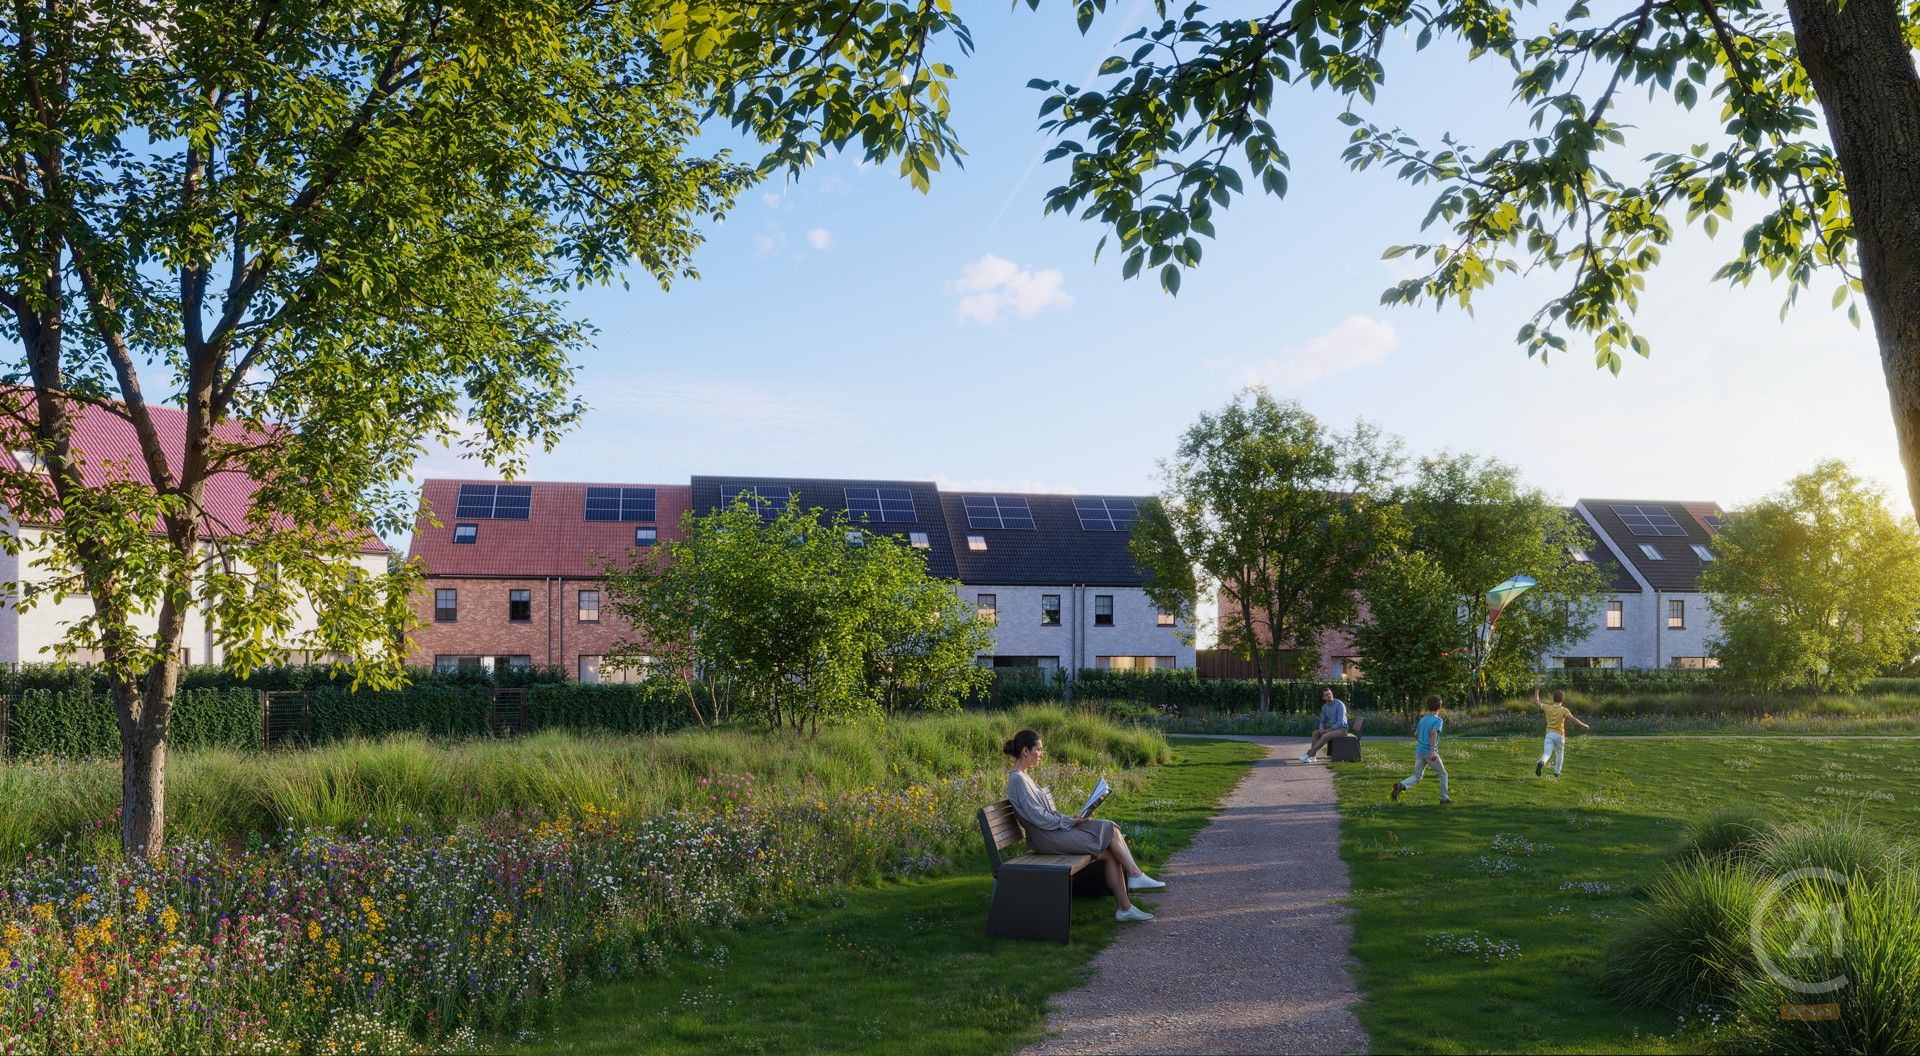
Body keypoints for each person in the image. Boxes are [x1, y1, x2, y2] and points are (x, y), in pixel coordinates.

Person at [1003, 729, 1165, 922]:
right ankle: (1135, 874)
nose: (1042, 754)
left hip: (1049, 832)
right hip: (1045, 838)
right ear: (1025, 751)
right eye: (1039, 749)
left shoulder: (1024, 776)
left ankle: (1125, 908)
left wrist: (1073, 818)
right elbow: (1039, 818)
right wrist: (1071, 822)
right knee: (1109, 831)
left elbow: (1042, 815)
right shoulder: (1018, 780)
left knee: (1111, 843)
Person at [1390, 696, 1451, 804]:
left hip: (1419, 751)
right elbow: (1433, 733)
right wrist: (1432, 751)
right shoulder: (1438, 720)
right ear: (1440, 707)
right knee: (1443, 774)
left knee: (1417, 776)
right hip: (1430, 753)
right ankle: (1444, 798)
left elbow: (1416, 734)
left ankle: (1401, 785)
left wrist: (1422, 742)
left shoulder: (1423, 719)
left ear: (1428, 707)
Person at [1533, 686, 1591, 777]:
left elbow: (1536, 702)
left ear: (1553, 699)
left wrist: (1537, 689)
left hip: (1549, 735)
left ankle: (1541, 762)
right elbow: (1573, 719)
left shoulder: (1547, 707)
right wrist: (1584, 725)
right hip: (1559, 735)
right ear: (1562, 699)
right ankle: (1557, 772)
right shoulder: (1564, 710)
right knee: (1559, 753)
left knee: (1547, 753)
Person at [1298, 687, 1350, 762]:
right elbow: (1323, 720)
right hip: (1331, 729)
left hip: (1342, 729)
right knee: (1315, 733)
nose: (1329, 695)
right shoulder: (1325, 707)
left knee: (1326, 735)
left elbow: (1341, 721)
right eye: (1326, 695)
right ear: (1323, 698)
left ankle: (1309, 754)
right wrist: (1321, 728)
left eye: (1330, 693)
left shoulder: (1339, 704)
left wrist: (1329, 729)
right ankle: (1313, 757)